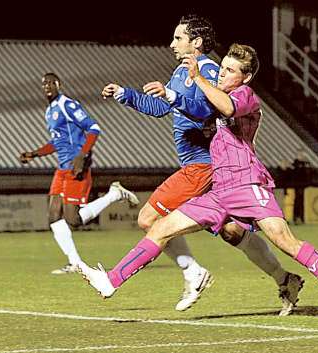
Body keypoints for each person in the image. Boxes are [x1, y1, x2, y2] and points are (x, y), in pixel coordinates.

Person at [82, 44, 318, 321]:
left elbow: (227, 108)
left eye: (230, 71)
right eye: (223, 68)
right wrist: (163, 93)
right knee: (160, 228)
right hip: (219, 190)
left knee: (284, 241)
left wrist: (199, 78)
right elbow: (193, 107)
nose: (222, 74)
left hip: (247, 185)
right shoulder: (214, 97)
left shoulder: (246, 96)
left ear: (246, 77)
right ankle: (111, 280)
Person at [101, 15, 304, 316]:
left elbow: (206, 111)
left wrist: (173, 94)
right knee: (232, 231)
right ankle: (285, 279)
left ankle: (193, 273)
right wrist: (126, 95)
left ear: (195, 42)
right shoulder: (182, 71)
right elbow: (161, 108)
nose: (172, 44)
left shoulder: (209, 71)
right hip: (206, 167)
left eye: (178, 38)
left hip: (204, 164)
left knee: (148, 219)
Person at [19, 72, 140, 274]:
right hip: (62, 168)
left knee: (73, 220)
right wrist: (35, 154)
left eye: (51, 82)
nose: (47, 86)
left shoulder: (68, 105)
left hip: (77, 167)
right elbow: (58, 142)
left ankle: (114, 194)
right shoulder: (50, 111)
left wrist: (82, 156)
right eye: (44, 83)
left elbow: (94, 128)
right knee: (52, 216)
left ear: (59, 84)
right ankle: (75, 263)